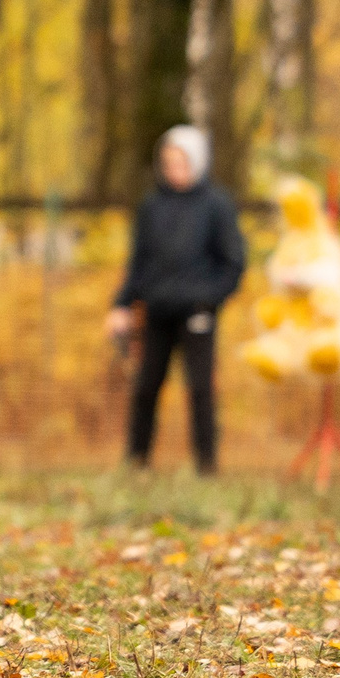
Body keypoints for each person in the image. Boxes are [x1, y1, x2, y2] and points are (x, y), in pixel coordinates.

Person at [105, 125, 247, 473]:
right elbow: (138, 263)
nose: (174, 170)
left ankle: (206, 465)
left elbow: (233, 263)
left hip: (198, 313)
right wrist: (121, 304)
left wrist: (208, 299)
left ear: (197, 162)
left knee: (200, 389)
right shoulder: (152, 206)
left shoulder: (216, 206)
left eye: (181, 162)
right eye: (168, 163)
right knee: (147, 386)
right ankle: (136, 460)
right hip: (157, 311)